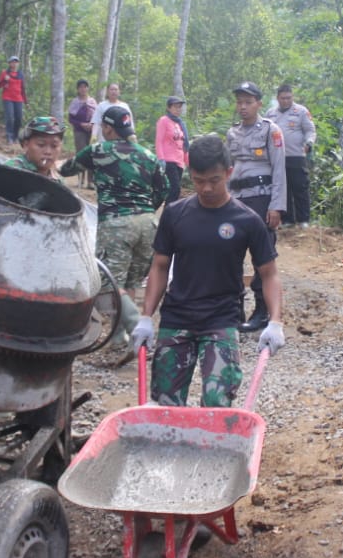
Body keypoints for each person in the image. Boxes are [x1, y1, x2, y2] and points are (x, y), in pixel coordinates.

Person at [131, 134, 285, 407]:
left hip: (221, 319)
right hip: (177, 316)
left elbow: (269, 274)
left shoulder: (247, 220)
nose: (206, 188)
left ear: (228, 172)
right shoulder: (175, 213)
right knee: (165, 404)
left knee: (217, 402)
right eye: (198, 180)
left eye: (214, 180)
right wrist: (145, 316)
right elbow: (160, 265)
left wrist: (275, 322)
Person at [58, 105, 167, 365]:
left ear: (107, 128)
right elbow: (164, 189)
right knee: (127, 284)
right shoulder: (148, 155)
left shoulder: (99, 150)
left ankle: (139, 334)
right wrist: (145, 209)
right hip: (148, 223)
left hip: (117, 223)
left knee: (107, 285)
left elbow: (67, 169)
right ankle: (119, 341)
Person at [226, 81, 286, 333]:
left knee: (262, 256)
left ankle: (262, 311)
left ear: (258, 104)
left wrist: (277, 207)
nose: (243, 107)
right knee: (230, 254)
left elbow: (280, 169)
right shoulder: (232, 133)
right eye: (239, 102)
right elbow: (227, 169)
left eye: (248, 102)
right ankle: (233, 309)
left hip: (261, 199)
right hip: (236, 198)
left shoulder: (271, 131)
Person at [265, 84, 316, 227]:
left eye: (289, 98)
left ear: (292, 97)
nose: (286, 101)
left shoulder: (301, 111)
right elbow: (265, 132)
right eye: (283, 98)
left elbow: (310, 130)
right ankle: (287, 220)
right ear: (278, 98)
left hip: (296, 156)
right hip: (277, 158)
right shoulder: (270, 114)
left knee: (300, 187)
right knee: (282, 188)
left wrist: (309, 142)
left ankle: (303, 220)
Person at [154, 95, 190, 203]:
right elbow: (159, 140)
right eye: (175, 107)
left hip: (179, 162)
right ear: (169, 108)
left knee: (174, 191)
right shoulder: (164, 120)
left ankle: (169, 212)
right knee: (175, 189)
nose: (178, 109)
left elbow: (183, 144)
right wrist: (161, 159)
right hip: (168, 160)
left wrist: (188, 162)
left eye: (179, 107)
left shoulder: (180, 123)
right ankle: (168, 213)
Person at [67, 80, 96, 188]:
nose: (83, 89)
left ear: (88, 88)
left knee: (92, 154)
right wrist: (81, 124)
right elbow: (71, 119)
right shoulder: (75, 102)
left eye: (85, 87)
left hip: (91, 131)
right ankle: (80, 180)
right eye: (81, 87)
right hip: (79, 131)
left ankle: (90, 181)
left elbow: (97, 116)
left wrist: (92, 124)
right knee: (81, 154)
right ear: (78, 89)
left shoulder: (92, 101)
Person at [0, 56, 27, 144]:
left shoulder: (20, 74)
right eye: (12, 62)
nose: (14, 64)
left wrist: (26, 101)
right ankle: (9, 136)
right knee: (9, 117)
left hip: (18, 99)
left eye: (16, 62)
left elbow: (23, 88)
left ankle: (15, 136)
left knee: (19, 118)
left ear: (18, 64)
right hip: (7, 98)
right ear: (9, 63)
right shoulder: (5, 73)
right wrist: (5, 81)